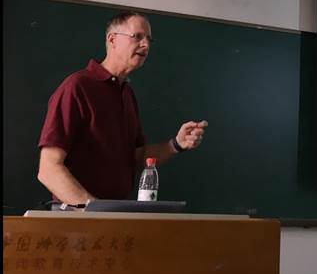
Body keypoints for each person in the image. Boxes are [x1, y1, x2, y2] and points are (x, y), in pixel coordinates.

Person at [37, 11, 208, 205]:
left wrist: (175, 144)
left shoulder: (127, 94)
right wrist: (95, 212)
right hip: (78, 216)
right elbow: (48, 169)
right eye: (138, 37)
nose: (146, 45)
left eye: (149, 39)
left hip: (112, 214)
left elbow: (137, 157)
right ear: (112, 39)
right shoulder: (77, 87)